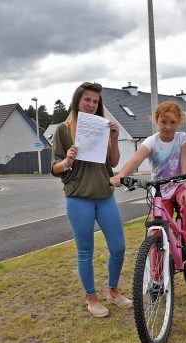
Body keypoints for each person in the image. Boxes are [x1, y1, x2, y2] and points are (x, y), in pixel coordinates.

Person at [51, 82, 132, 317]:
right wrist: (67, 160)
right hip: (79, 197)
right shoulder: (63, 130)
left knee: (118, 247)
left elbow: (114, 162)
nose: (91, 104)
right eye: (87, 100)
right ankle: (92, 298)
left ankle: (113, 292)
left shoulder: (103, 127)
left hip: (105, 195)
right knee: (85, 250)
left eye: (96, 102)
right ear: (77, 101)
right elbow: (55, 168)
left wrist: (114, 138)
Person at [110, 101, 186, 261]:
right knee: (157, 231)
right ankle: (157, 278)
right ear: (156, 120)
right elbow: (136, 159)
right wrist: (121, 175)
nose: (167, 127)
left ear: (178, 122)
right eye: (163, 122)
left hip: (180, 185)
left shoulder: (183, 139)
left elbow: (185, 165)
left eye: (173, 122)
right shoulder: (151, 141)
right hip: (160, 190)